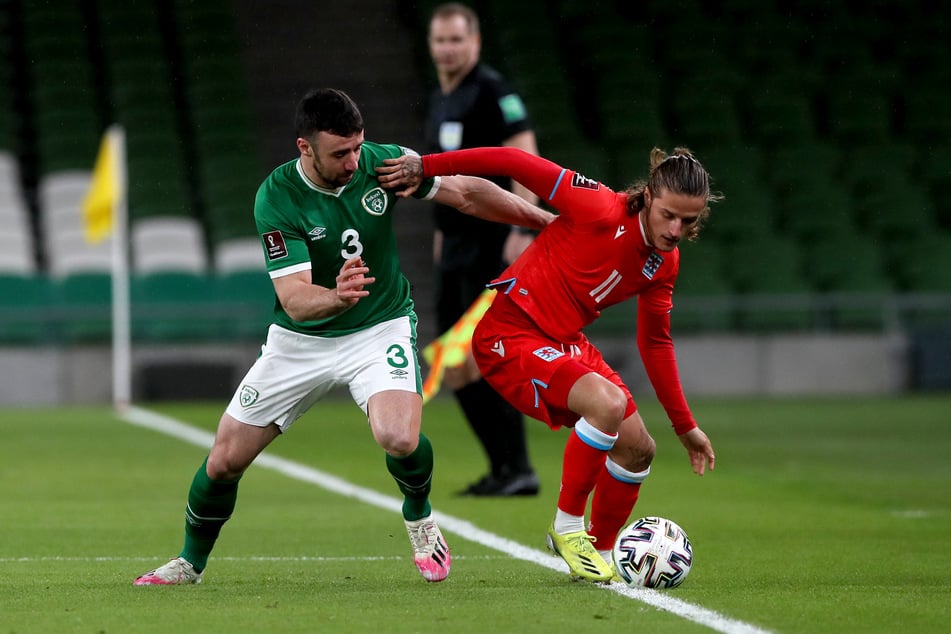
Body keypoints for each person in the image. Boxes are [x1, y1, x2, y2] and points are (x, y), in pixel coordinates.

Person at [133, 88, 553, 586]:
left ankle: (419, 516)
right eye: (340, 153)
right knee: (224, 460)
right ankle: (189, 563)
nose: (354, 162)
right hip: (300, 340)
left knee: (398, 436)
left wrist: (545, 221)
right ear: (304, 147)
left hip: (379, 325)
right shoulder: (277, 197)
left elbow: (465, 193)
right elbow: (294, 299)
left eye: (357, 147)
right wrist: (336, 296)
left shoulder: (382, 164)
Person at [377, 146, 718, 582]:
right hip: (510, 333)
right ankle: (567, 527)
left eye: (688, 221)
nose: (675, 230)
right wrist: (426, 165)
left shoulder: (664, 263)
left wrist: (684, 426)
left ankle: (599, 550)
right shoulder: (597, 204)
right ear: (648, 196)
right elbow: (512, 161)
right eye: (669, 215)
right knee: (607, 403)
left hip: (563, 341)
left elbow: (654, 341)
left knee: (638, 450)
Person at [423, 2, 542, 497]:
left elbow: (526, 158)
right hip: (454, 248)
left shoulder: (494, 91)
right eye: (441, 40)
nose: (448, 49)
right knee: (451, 363)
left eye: (457, 39)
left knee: (487, 355)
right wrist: (440, 235)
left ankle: (519, 468)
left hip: (492, 243)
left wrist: (522, 228)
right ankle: (503, 469)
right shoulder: (440, 99)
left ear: (475, 42)